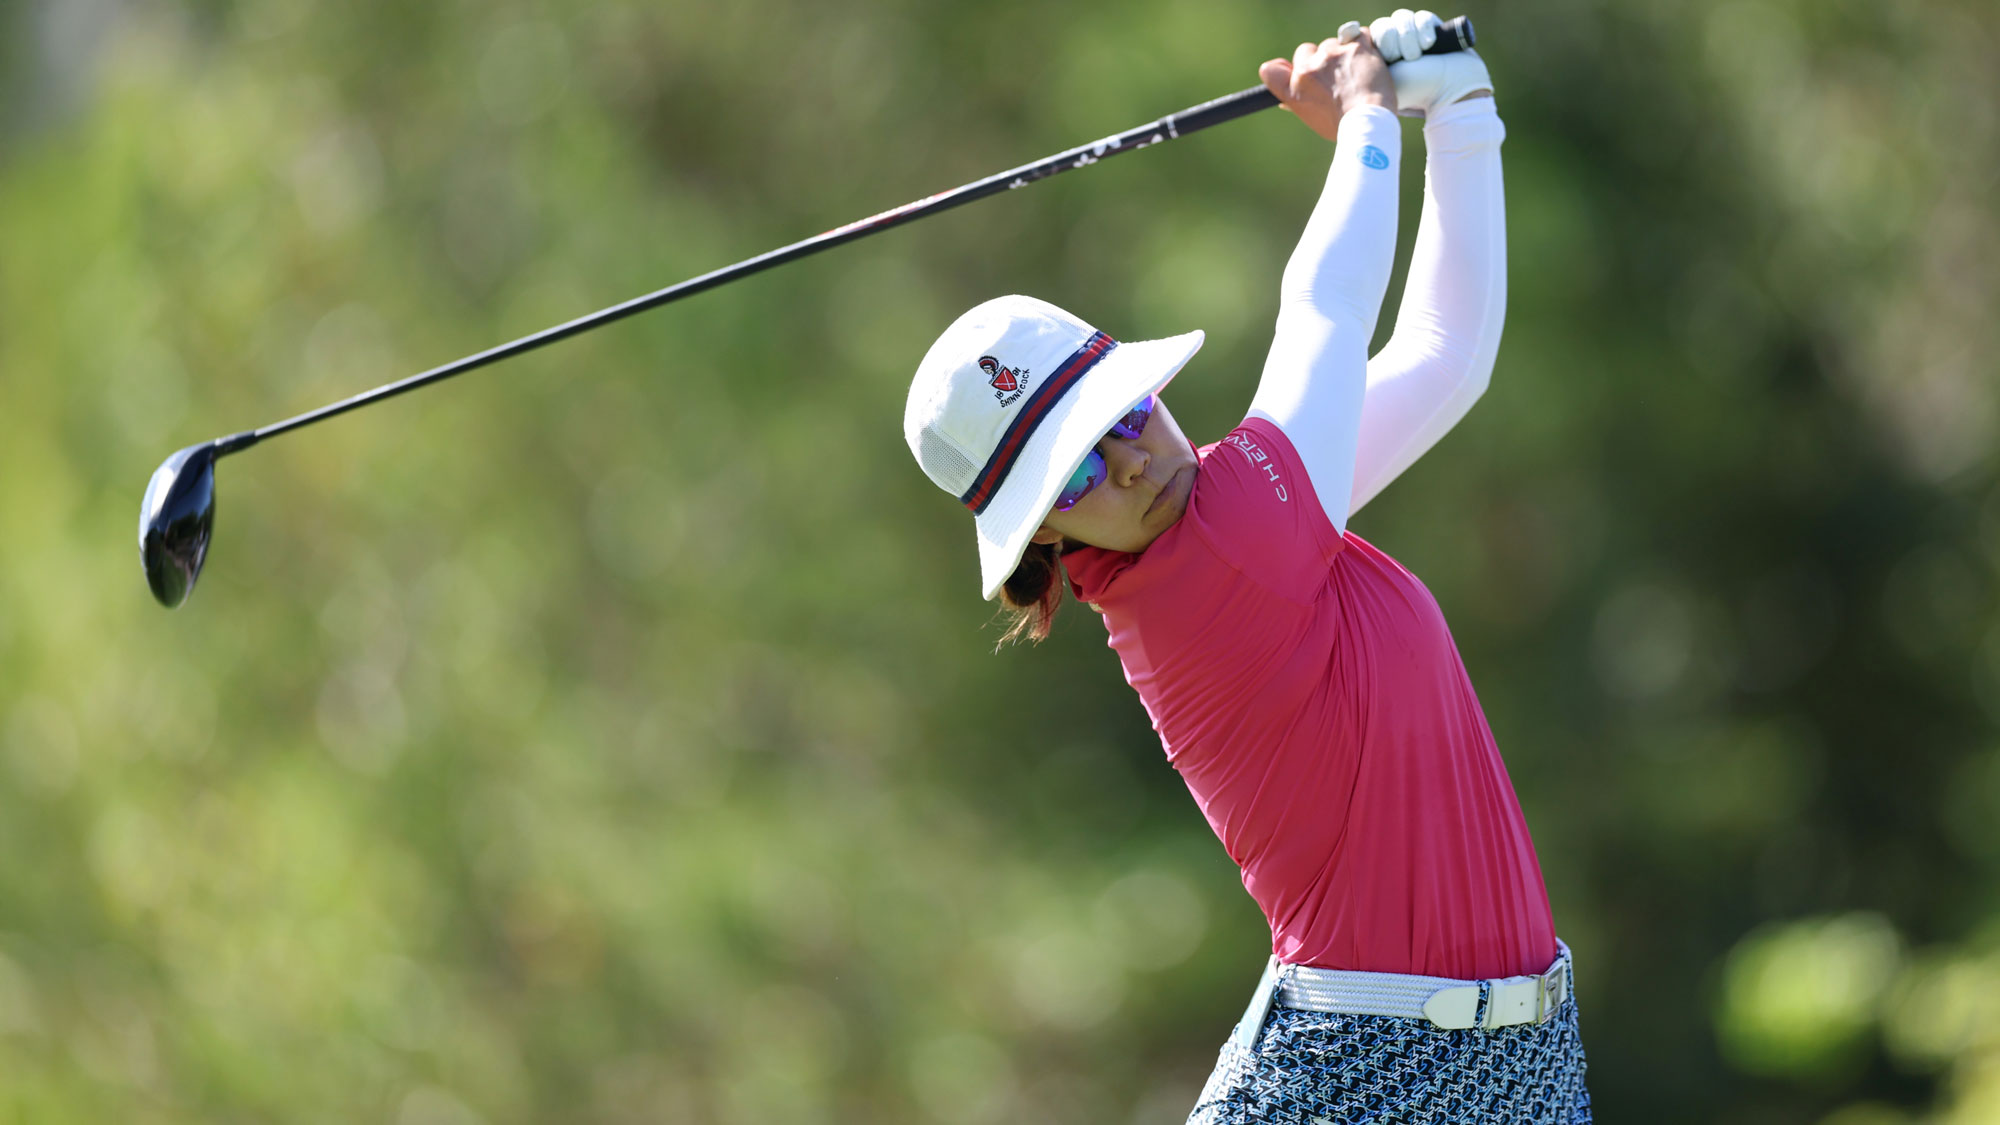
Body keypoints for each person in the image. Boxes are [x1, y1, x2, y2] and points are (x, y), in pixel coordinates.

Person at [902, 10, 1589, 1122]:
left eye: (1124, 416)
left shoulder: (1251, 513)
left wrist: (1460, 118)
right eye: (1076, 475)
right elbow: (1322, 313)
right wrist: (1367, 118)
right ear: (1045, 542)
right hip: (1356, 1078)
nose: (1130, 463)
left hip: (1514, 1063)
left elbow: (1441, 358)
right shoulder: (1217, 565)